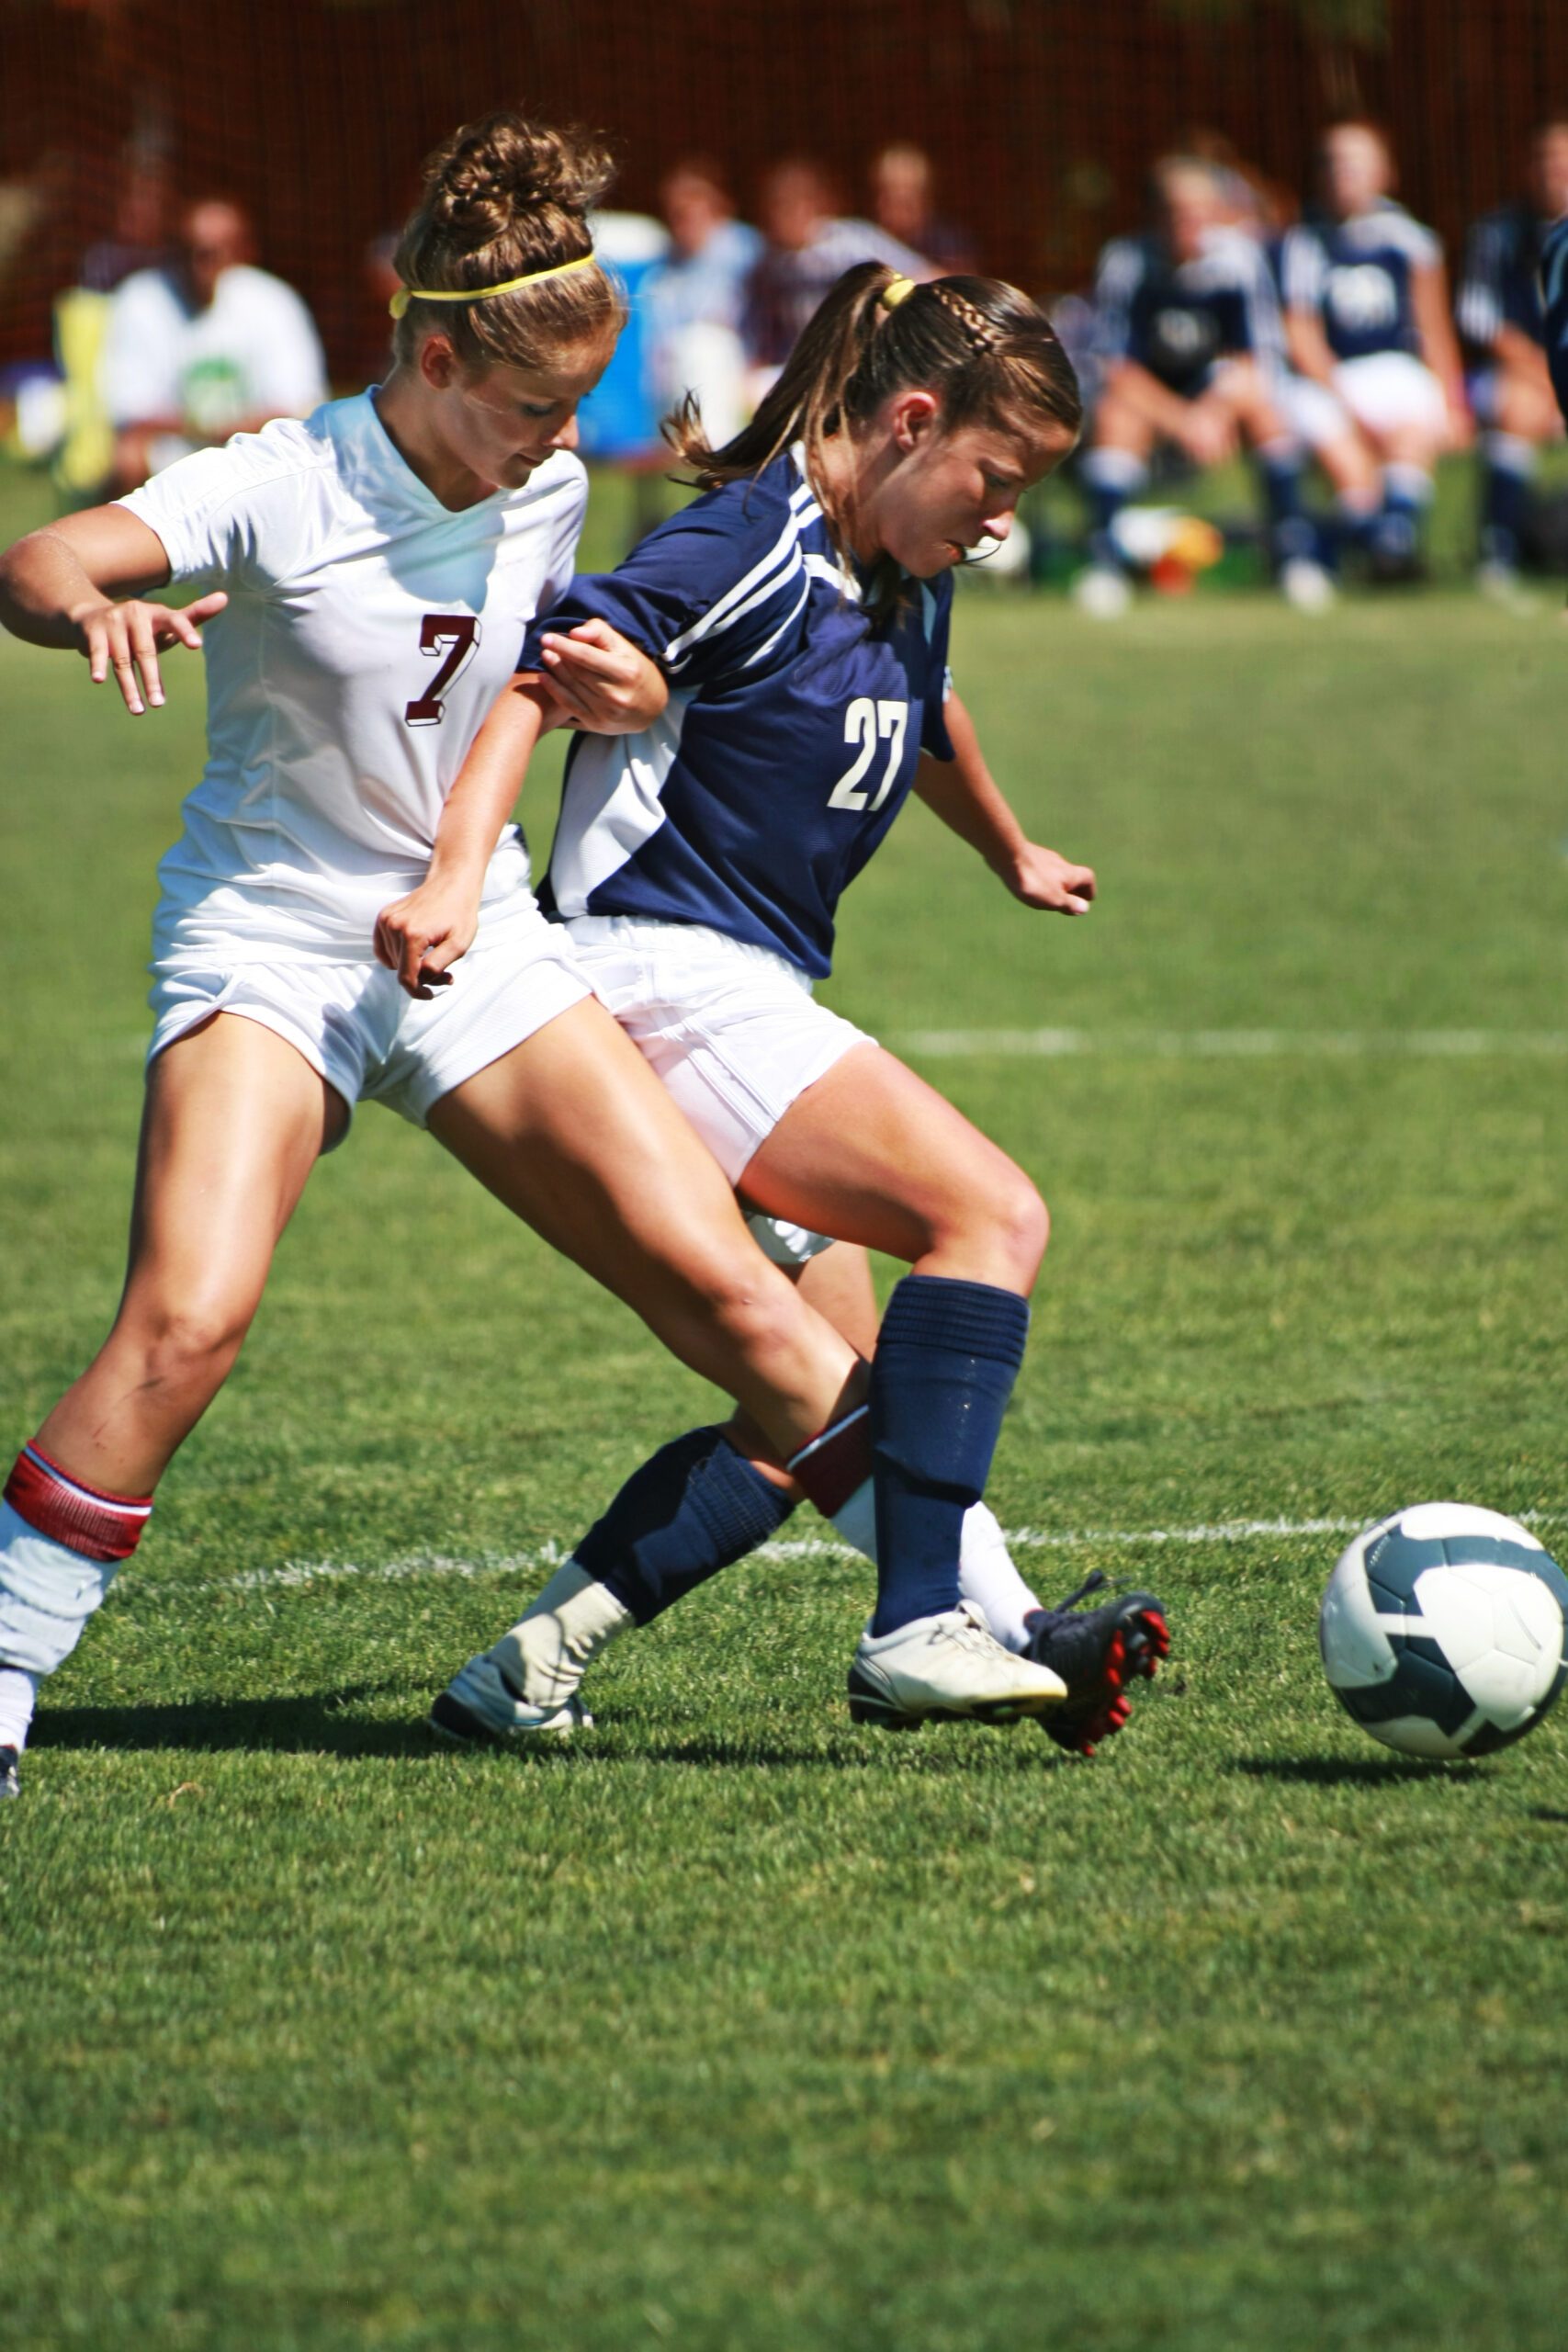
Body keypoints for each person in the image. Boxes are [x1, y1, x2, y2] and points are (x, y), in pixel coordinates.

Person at [0, 112, 923, 1804]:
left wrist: (623, 692)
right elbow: (40, 558)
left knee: (739, 1297)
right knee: (188, 1321)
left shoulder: (546, 479)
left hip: (472, 931)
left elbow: (524, 671)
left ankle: (974, 1613)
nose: (561, 446)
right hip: (273, 935)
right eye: (529, 409)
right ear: (429, 357)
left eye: (579, 410)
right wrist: (92, 608)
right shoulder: (283, 479)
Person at [398, 263, 1170, 1754]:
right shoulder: (743, 543)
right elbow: (539, 677)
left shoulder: (902, 564)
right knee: (991, 1218)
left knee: (804, 1414)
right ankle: (931, 1626)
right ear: (908, 421)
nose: (998, 518)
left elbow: (924, 706)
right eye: (990, 478)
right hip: (649, 980)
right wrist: (453, 883)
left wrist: (1010, 847)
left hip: (730, 990)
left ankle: (524, 1673)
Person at [1076, 155, 1332, 616]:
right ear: (1156, 214)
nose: (1187, 223)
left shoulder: (1239, 261)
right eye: (1176, 211)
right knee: (1117, 416)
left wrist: (1212, 412)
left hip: (1216, 396)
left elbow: (1257, 358)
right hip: (1151, 396)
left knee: (1267, 409)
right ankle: (1106, 562)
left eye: (1198, 211)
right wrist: (1182, 420)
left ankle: (1296, 555)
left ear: (1217, 212)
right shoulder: (1128, 262)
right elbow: (1116, 367)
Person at [1279, 121, 1469, 580]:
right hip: (1332, 376)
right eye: (1333, 162)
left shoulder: (1409, 239)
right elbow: (1302, 337)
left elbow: (1434, 327)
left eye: (1357, 163)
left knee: (1410, 432)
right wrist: (1349, 401)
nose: (1344, 173)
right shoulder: (1303, 243)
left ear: (1385, 173)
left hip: (1396, 369)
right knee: (1351, 468)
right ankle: (1374, 544)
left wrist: (1455, 400)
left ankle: (1381, 545)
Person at [99, 193, 328, 492]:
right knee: (128, 456)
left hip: (258, 452)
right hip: (171, 453)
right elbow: (131, 412)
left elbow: (301, 407)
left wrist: (230, 431)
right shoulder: (140, 298)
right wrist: (208, 429)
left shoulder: (273, 300)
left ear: (243, 251)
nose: (199, 266)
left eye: (212, 253)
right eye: (189, 251)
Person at [1456, 118, 1568, 598]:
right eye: (1544, 160)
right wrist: (1548, 372)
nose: (1554, 171)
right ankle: (1498, 549)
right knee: (1517, 408)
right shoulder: (1498, 233)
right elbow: (1481, 318)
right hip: (1524, 372)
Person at [741, 158, 928, 397]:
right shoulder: (772, 262)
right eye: (776, 208)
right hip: (804, 367)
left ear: (813, 206)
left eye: (792, 206)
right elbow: (761, 330)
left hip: (861, 355)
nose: (784, 217)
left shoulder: (846, 240)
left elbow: (920, 275)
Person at [642, 158, 762, 448]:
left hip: (739, 362)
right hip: (677, 373)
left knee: (705, 344)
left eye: (691, 212)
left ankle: (713, 448)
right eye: (676, 215)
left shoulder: (746, 251)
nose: (683, 223)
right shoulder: (664, 270)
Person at [868, 142, 976, 277]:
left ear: (926, 198)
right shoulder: (863, 244)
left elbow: (963, 289)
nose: (898, 209)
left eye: (907, 198)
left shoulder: (950, 243)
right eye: (889, 196)